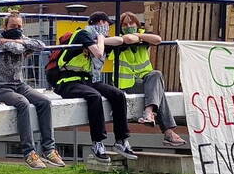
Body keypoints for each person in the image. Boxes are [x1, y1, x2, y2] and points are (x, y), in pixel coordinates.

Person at [0, 11, 65, 169]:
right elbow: (16, 49)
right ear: (4, 26)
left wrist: (21, 41)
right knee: (23, 103)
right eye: (13, 26)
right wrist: (21, 43)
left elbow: (40, 46)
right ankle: (29, 153)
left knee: (45, 102)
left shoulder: (18, 38)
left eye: (20, 26)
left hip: (18, 84)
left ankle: (49, 149)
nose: (17, 29)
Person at [52, 11, 138, 162]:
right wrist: (101, 38)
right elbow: (98, 53)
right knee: (94, 96)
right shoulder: (82, 34)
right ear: (98, 23)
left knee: (118, 95)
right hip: (67, 81)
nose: (108, 28)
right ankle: (98, 142)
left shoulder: (99, 38)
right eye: (106, 25)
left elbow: (119, 41)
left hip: (87, 80)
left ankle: (121, 140)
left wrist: (103, 39)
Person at [112, 11, 187, 147]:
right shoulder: (118, 40)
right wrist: (138, 37)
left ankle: (149, 113)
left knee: (156, 74)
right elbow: (128, 40)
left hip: (146, 81)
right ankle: (168, 132)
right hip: (127, 85)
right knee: (159, 93)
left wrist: (139, 36)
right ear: (120, 27)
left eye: (131, 23)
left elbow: (157, 39)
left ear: (137, 23)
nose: (129, 26)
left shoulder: (143, 36)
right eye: (125, 24)